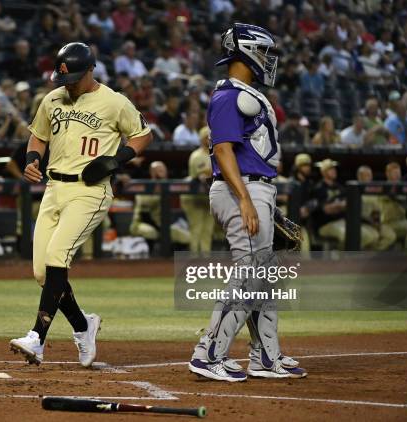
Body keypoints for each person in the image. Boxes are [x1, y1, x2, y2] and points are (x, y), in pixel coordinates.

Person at [9, 42, 152, 367]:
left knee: (58, 257)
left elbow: (143, 135)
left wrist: (118, 160)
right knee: (43, 273)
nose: (68, 82)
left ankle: (37, 338)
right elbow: (38, 136)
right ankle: (83, 325)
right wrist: (33, 158)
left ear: (91, 70)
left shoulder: (114, 102)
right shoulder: (53, 97)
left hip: (89, 191)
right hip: (54, 187)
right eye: (64, 77)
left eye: (74, 76)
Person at [189, 23, 307, 382]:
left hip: (256, 189)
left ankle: (265, 356)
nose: (269, 61)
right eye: (266, 52)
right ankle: (209, 353)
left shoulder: (243, 92)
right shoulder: (228, 95)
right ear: (248, 52)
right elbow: (223, 149)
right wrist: (246, 200)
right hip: (241, 189)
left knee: (263, 277)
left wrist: (263, 202)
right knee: (250, 275)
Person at [311, 158, 378, 249]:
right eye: (330, 169)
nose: (334, 171)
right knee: (346, 234)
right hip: (326, 224)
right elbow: (326, 210)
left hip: (342, 221)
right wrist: (339, 206)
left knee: (372, 235)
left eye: (334, 169)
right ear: (323, 172)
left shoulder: (340, 188)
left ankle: (354, 259)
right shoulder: (318, 188)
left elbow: (348, 204)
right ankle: (343, 261)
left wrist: (339, 206)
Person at [129, 161, 191, 249]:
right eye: (160, 171)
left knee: (186, 237)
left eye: (164, 170)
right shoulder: (146, 187)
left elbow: (182, 184)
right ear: (153, 173)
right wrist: (157, 194)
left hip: (163, 225)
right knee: (151, 233)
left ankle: (170, 259)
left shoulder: (167, 186)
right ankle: (148, 259)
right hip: (142, 223)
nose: (164, 173)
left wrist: (191, 178)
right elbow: (145, 212)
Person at [180, 127, 214, 253]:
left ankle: (205, 258)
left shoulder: (215, 154)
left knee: (208, 229)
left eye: (211, 136)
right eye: (207, 137)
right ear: (201, 139)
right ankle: (194, 257)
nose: (210, 139)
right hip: (194, 196)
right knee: (197, 228)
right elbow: (204, 176)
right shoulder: (197, 155)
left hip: (208, 197)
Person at [356, 165, 396, 251]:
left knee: (390, 236)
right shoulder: (355, 190)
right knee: (372, 237)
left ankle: (372, 256)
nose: (369, 177)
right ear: (359, 177)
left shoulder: (374, 190)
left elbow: (377, 210)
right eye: (366, 175)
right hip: (361, 223)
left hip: (376, 222)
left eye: (370, 175)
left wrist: (377, 222)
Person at [379, 162, 407, 249]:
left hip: (401, 221)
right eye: (395, 173)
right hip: (387, 223)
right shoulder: (383, 187)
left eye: (398, 173)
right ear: (387, 174)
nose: (397, 176)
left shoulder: (403, 187)